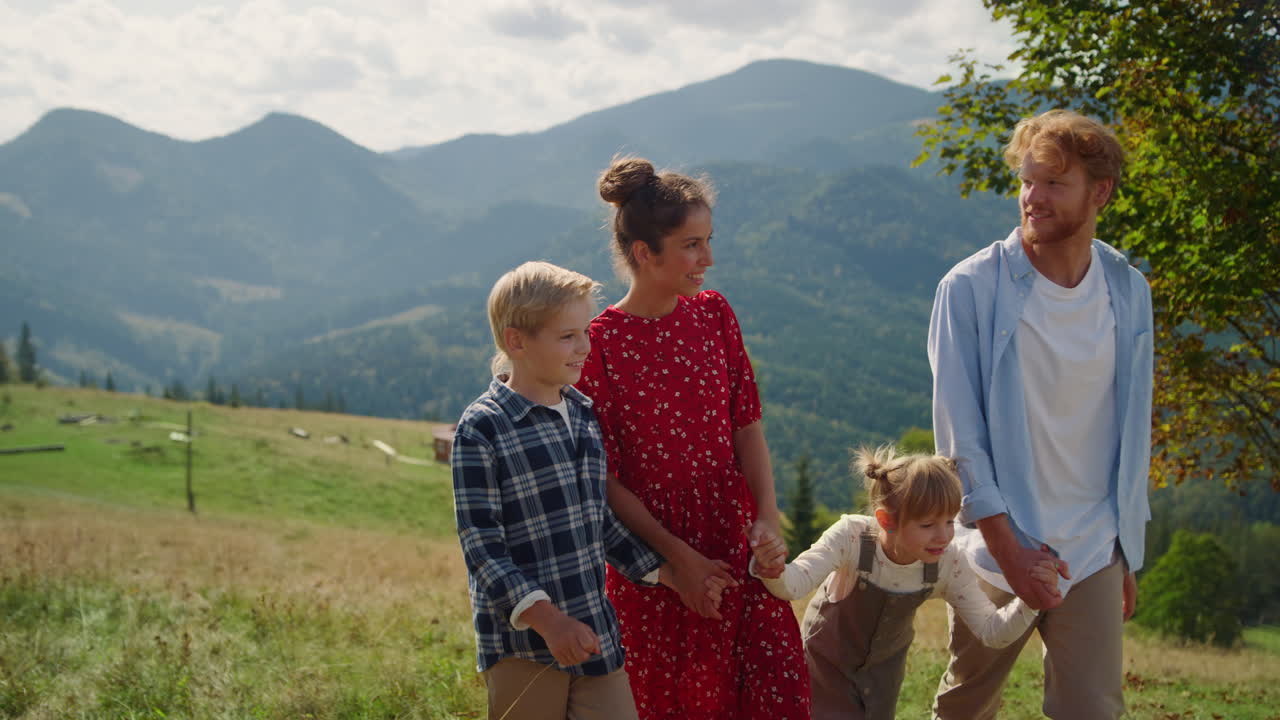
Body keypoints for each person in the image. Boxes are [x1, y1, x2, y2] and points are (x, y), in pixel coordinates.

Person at [928, 109, 1154, 719]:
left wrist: (1122, 551)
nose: (1033, 197)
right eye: (1027, 181)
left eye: (1054, 183)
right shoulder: (970, 288)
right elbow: (959, 436)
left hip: (1094, 553)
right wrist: (1009, 549)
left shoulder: (1129, 290)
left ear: (1099, 191)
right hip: (996, 549)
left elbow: (1132, 431)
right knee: (965, 710)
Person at [575, 157, 810, 719]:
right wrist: (677, 561)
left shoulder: (714, 315)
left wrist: (767, 519)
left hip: (735, 542)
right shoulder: (599, 345)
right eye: (691, 245)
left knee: (771, 693)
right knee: (678, 703)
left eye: (708, 241)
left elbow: (746, 424)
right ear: (643, 254)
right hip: (655, 562)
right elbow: (603, 478)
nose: (707, 259)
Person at [452, 261, 715, 720]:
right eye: (567, 337)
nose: (584, 349)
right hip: (522, 647)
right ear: (516, 341)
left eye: (585, 333)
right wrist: (549, 622)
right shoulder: (483, 428)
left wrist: (668, 574)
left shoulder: (582, 416)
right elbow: (481, 547)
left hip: (595, 631)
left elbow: (600, 524)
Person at [748, 446, 1061, 720]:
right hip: (822, 678)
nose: (944, 535)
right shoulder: (853, 537)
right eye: (927, 525)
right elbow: (794, 585)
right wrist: (772, 567)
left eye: (950, 521)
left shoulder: (947, 561)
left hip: (881, 686)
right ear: (887, 520)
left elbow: (991, 633)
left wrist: (1030, 601)